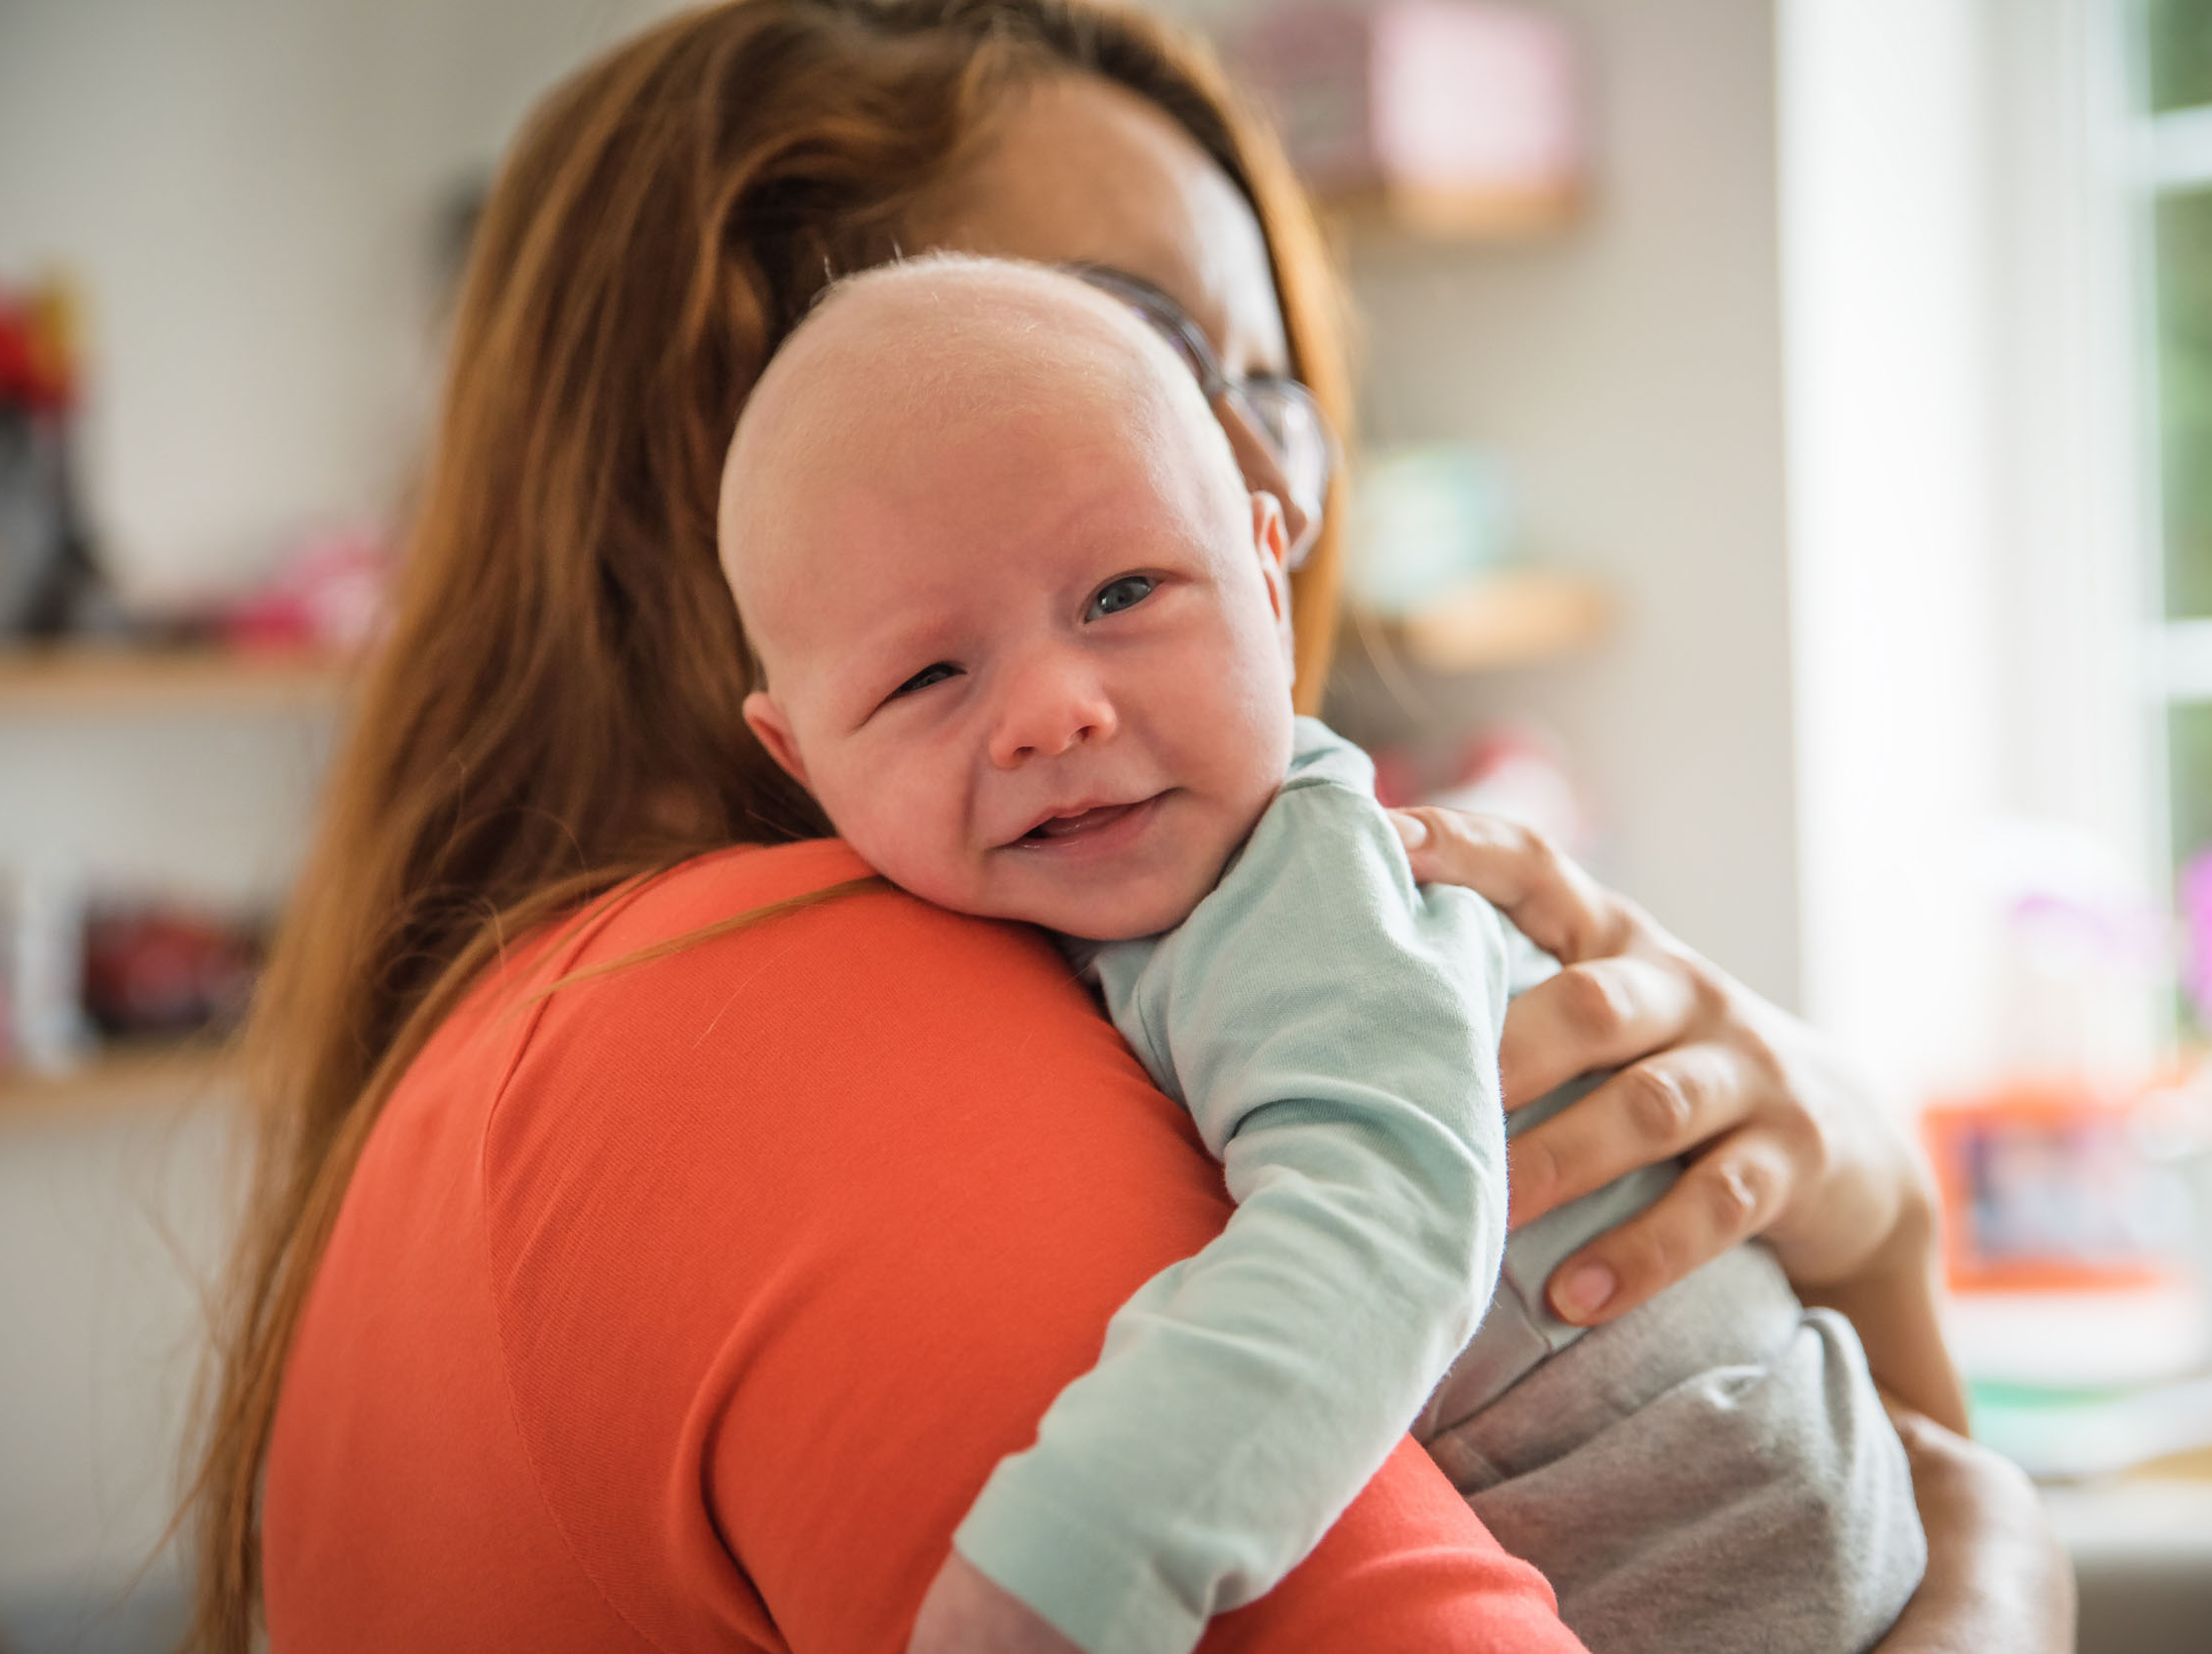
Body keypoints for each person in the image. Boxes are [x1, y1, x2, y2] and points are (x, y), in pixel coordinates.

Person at [181, 2, 2072, 1650]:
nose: (1266, 476)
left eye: (1267, 392)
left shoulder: (509, 1052)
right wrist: (2002, 1575)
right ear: (716, 455)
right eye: (1134, 339)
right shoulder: (799, 1028)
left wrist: (1880, 1221)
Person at [719, 253, 1929, 1654]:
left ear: (1266, 570)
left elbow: (1383, 1219)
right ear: (800, 757)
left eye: (1124, 593)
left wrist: (1067, 1572)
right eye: (929, 675)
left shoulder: (1299, 874)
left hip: (1730, 1522)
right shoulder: (955, 944)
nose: (1054, 710)